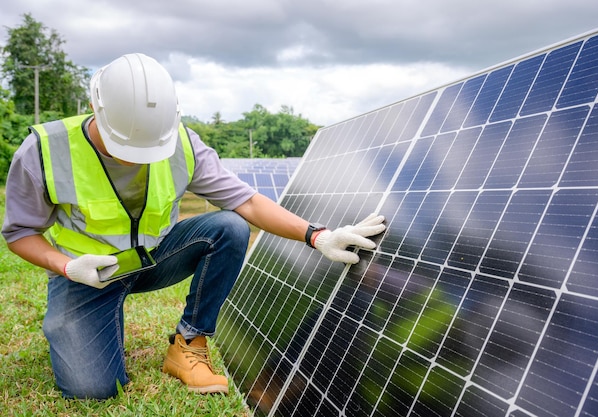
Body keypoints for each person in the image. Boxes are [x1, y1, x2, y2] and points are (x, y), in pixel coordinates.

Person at [1, 53, 385, 400]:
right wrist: (67, 266)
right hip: (86, 272)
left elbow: (248, 202)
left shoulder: (182, 143)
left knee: (229, 226)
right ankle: (98, 318)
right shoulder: (46, 150)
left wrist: (316, 235)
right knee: (93, 389)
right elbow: (19, 233)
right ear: (94, 109)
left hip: (157, 257)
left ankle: (188, 342)